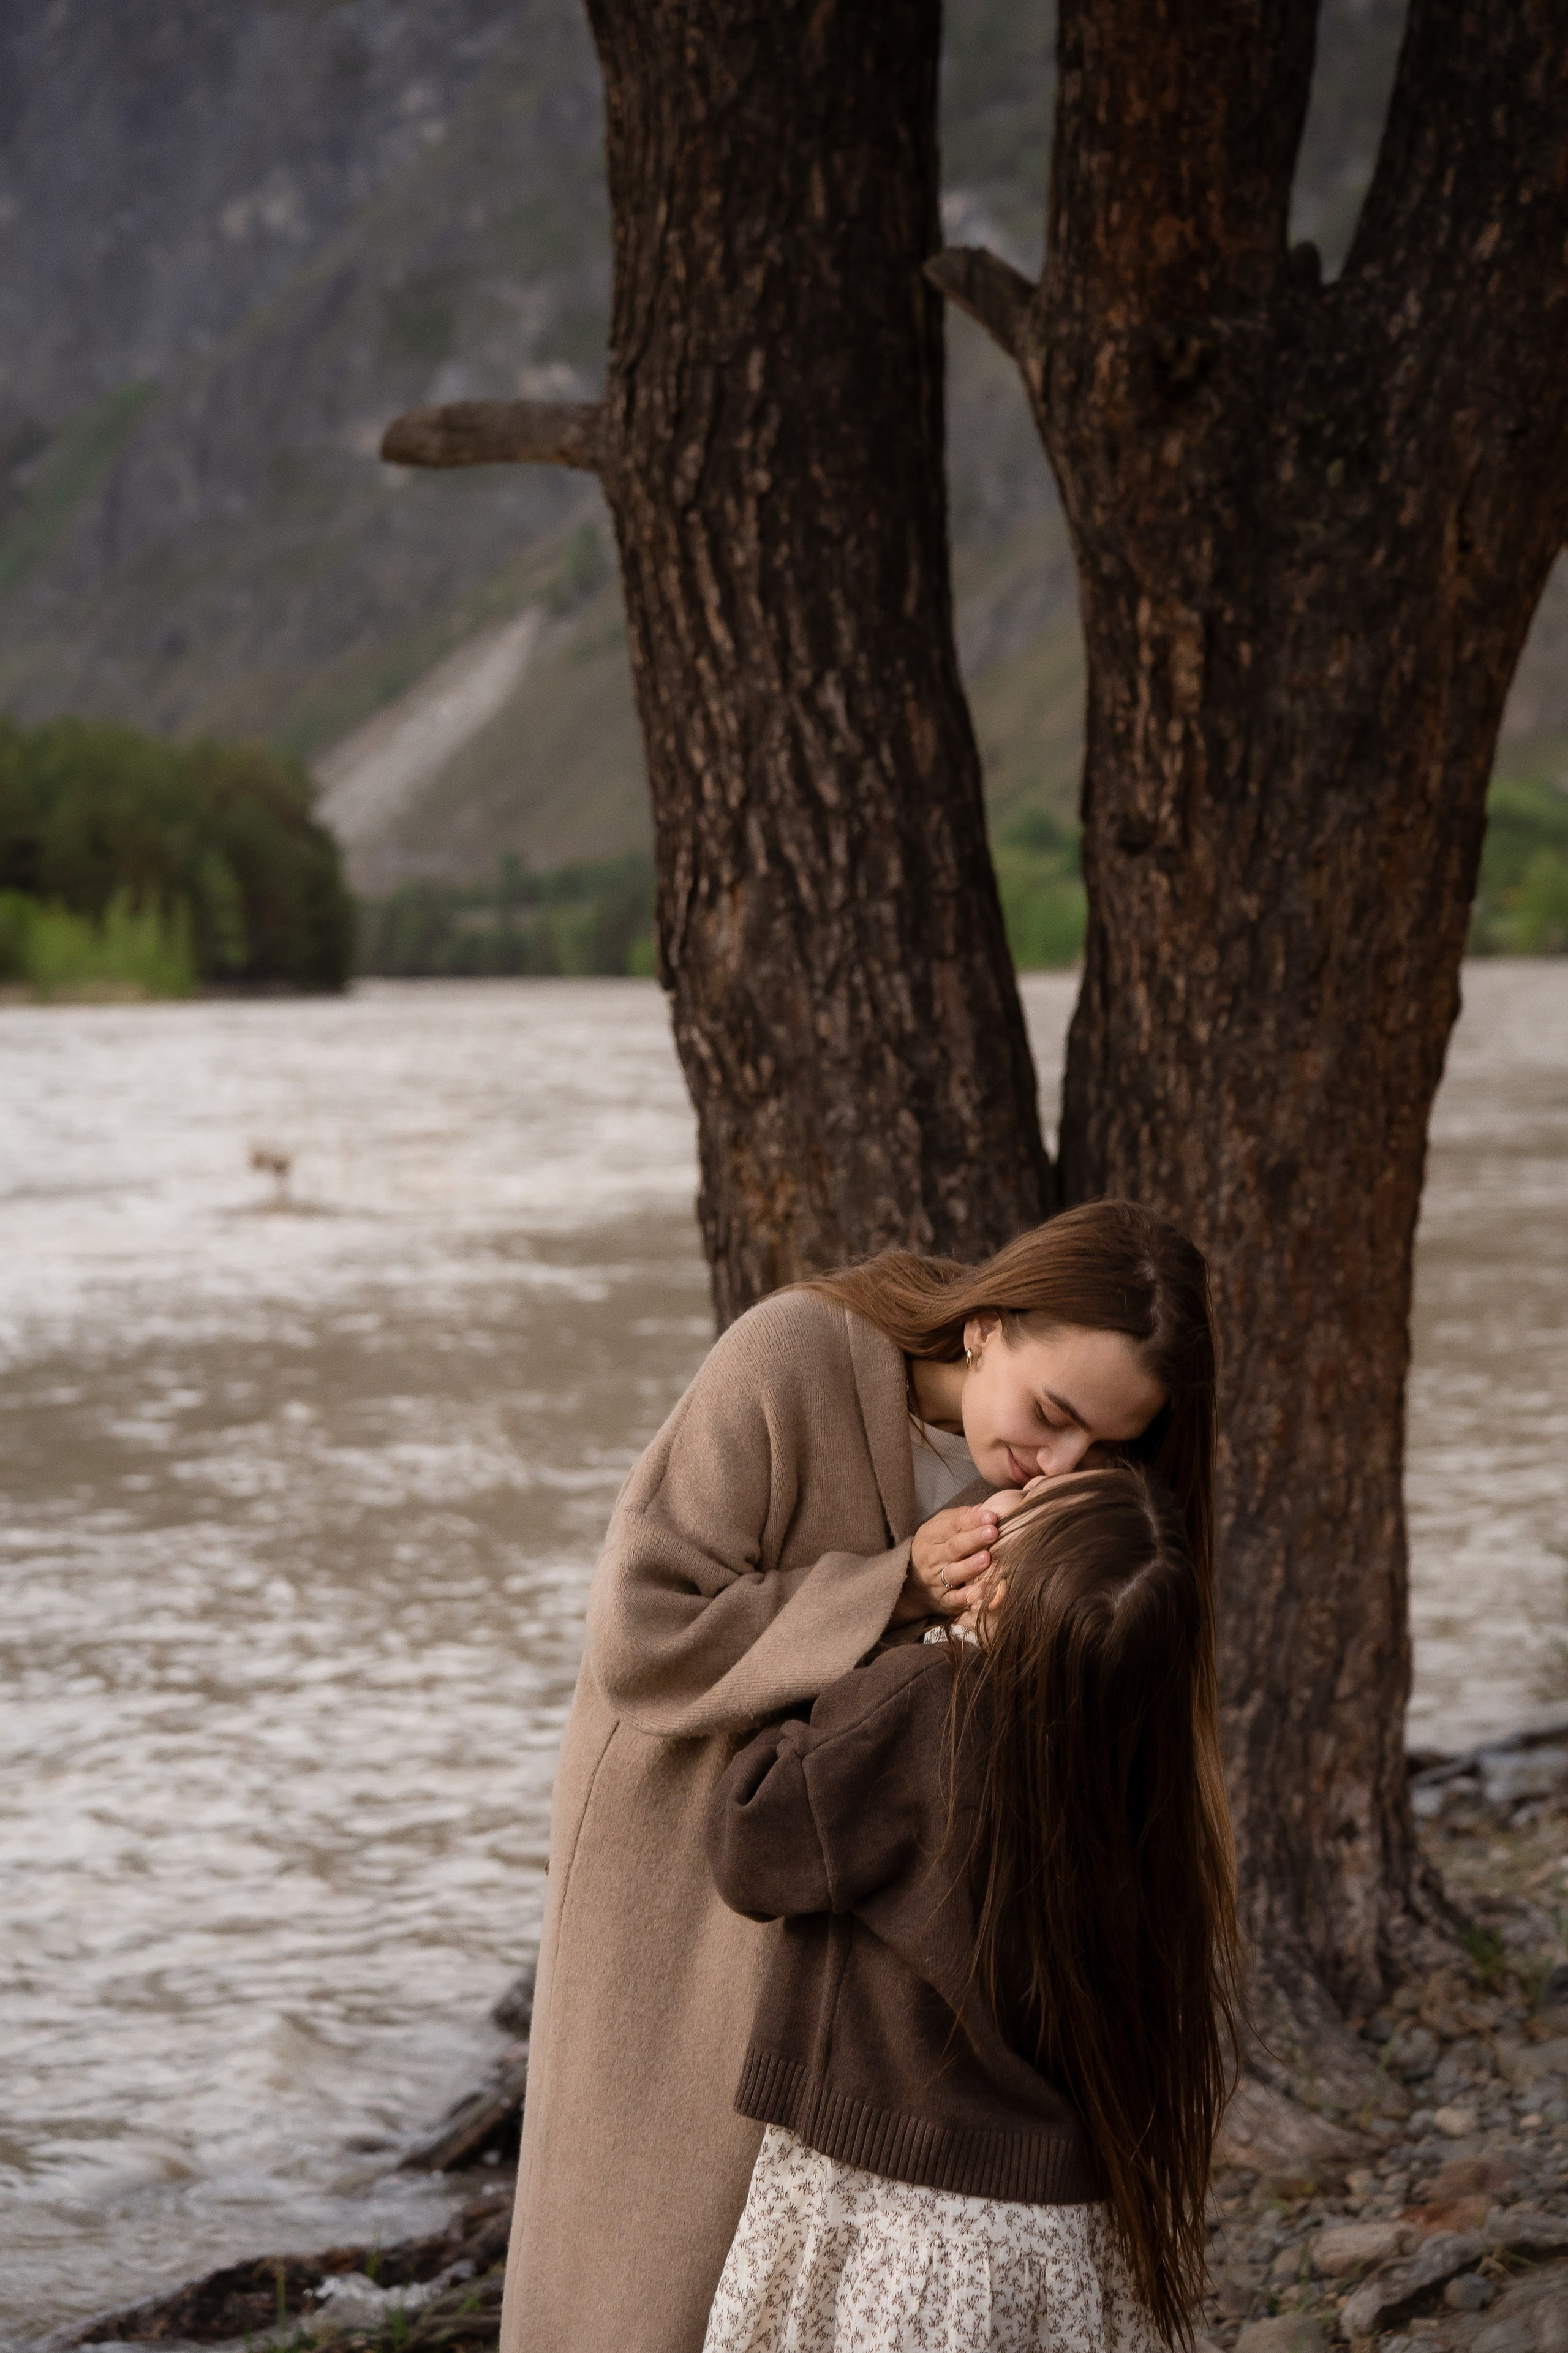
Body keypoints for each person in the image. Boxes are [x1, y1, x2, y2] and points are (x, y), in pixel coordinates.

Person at [499, 1201, 1217, 2353]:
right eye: (1054, 1415)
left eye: (1109, 1447)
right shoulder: (790, 1356)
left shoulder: (1058, 1507)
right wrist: (894, 1584)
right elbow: (638, 1628)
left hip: (839, 1881)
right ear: (987, 1326)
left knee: (769, 2267)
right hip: (692, 1854)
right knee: (639, 2251)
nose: (1064, 1465)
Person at [701, 1465, 1240, 2353]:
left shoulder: (926, 1701)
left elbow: (753, 1846)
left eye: (1019, 1507)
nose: (1011, 1482)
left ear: (995, 1586)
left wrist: (842, 1685)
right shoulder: (1138, 1770)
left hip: (902, 2213)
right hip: (1059, 2225)